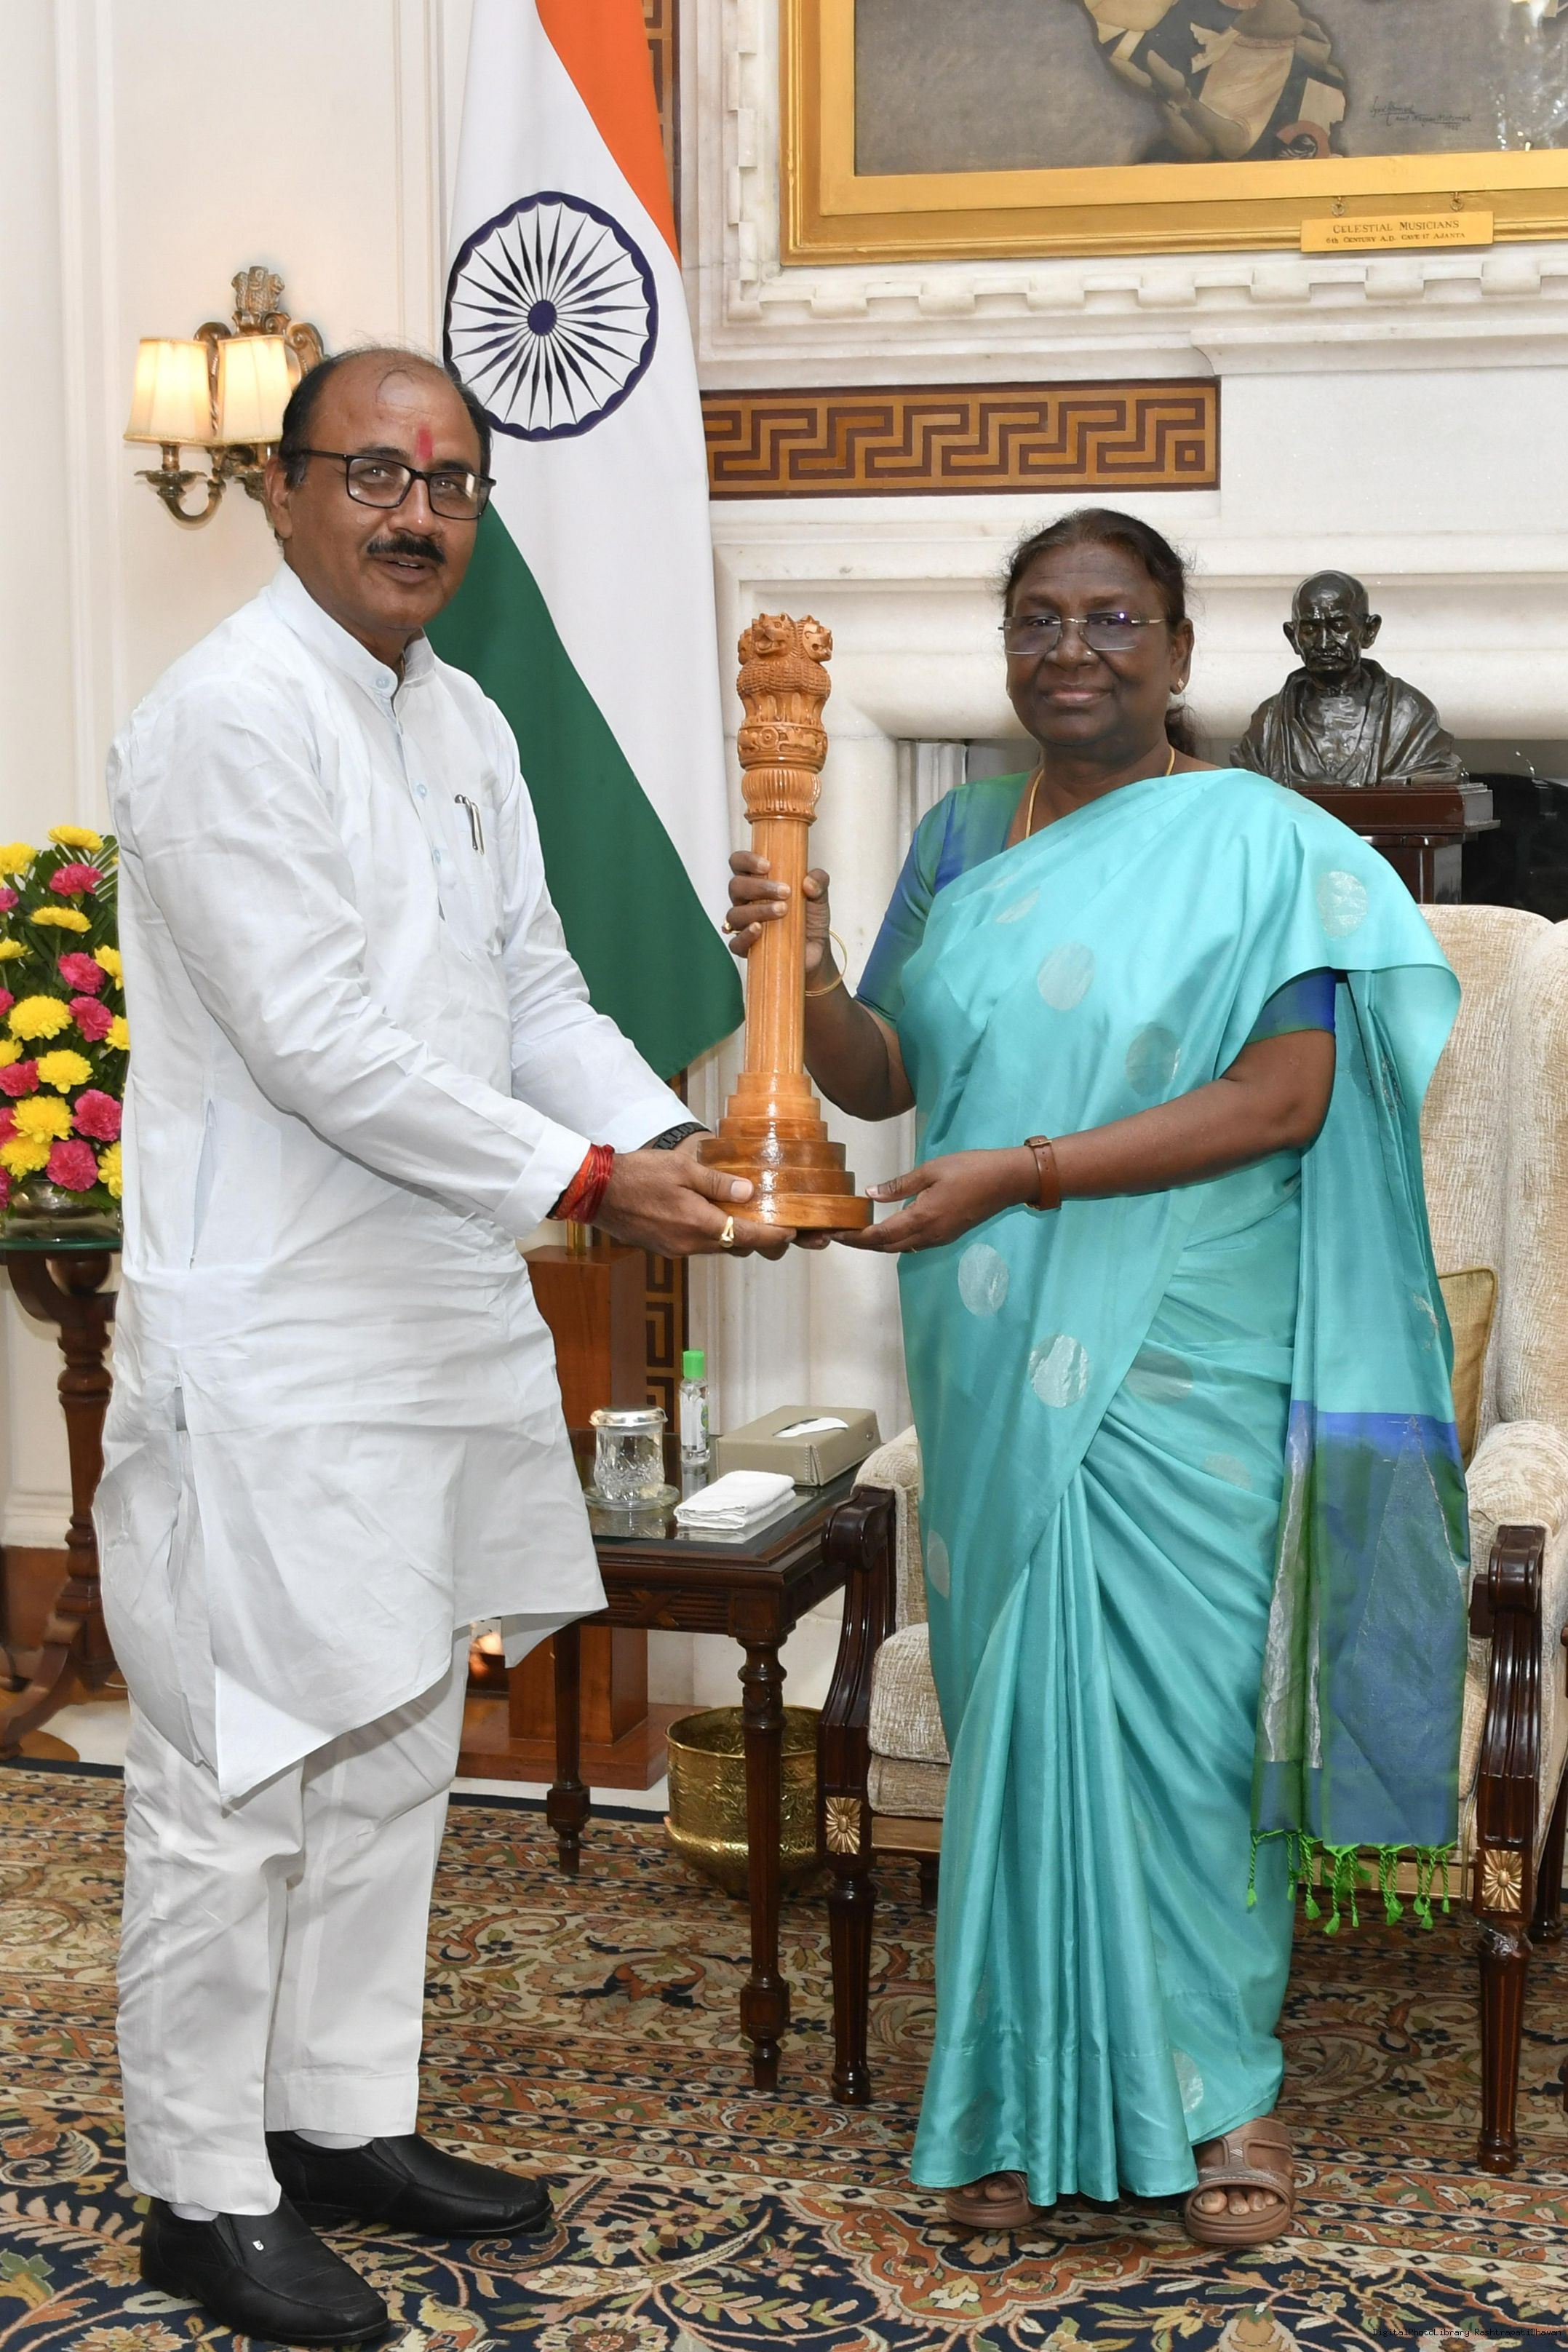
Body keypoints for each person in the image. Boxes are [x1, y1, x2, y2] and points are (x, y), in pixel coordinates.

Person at [101, 346, 781, 2348]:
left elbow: (533, 988)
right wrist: (591, 1181)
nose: (417, 513)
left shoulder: (463, 714)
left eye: (452, 482)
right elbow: (318, 1044)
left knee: (398, 1727)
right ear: (282, 488)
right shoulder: (228, 714)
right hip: (270, 1326)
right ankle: (199, 2183)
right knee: (240, 1759)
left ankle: (336, 2116)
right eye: (375, 474)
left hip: (435, 1305)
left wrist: (673, 1143)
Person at [726, 509, 1468, 2244]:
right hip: (994, 1334)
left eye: (1112, 618)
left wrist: (1030, 1169)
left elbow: (1281, 1096)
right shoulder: (958, 836)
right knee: (1020, 1719)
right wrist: (802, 961)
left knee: (1191, 1731)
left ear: (1178, 650)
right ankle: (1006, 2097)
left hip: (1191, 1337)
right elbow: (886, 1067)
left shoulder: (1265, 843)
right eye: (1039, 620)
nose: (1072, 649)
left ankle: (1222, 2097)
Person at [1234, 570, 1463, 787]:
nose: (1324, 643)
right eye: (1310, 630)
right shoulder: (1268, 722)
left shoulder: (1409, 713)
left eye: (1338, 627)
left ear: (1369, 630)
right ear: (1293, 637)